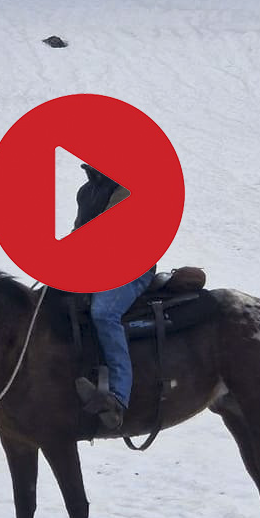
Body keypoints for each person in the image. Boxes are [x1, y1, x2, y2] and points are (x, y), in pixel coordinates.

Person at [74, 164, 156, 428]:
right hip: (95, 267)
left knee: (104, 313)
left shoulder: (128, 186)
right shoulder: (86, 192)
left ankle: (118, 396)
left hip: (133, 265)